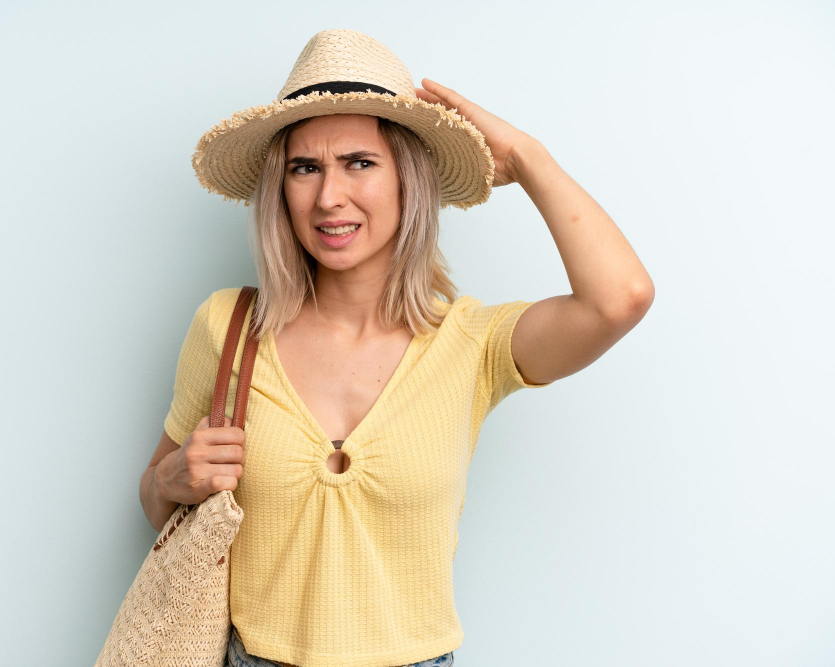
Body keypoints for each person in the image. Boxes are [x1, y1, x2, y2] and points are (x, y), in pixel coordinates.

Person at [139, 29, 654, 667]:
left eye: (360, 162)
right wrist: (171, 476)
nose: (329, 197)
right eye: (306, 168)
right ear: (282, 188)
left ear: (408, 179)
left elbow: (620, 298)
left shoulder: (472, 345)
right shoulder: (229, 327)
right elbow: (155, 498)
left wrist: (526, 157)